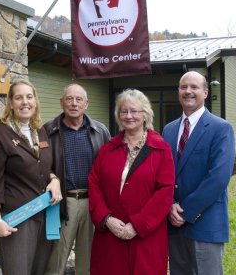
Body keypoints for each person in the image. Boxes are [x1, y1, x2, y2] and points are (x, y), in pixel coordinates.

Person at [89, 88, 175, 275]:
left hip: (146, 236)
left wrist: (137, 225)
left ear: (145, 114)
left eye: (134, 111)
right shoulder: (108, 149)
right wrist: (106, 218)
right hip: (111, 235)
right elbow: (94, 185)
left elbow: (165, 192)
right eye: (124, 111)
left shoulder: (161, 149)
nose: (129, 116)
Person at [0, 79, 62, 275]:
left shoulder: (40, 131)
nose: (24, 102)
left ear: (35, 101)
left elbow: (44, 167)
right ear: (10, 102)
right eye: (19, 97)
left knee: (39, 271)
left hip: (44, 215)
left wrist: (55, 179)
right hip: (17, 218)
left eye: (29, 97)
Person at [162, 71, 235, 275]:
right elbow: (161, 173)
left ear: (205, 92)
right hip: (173, 224)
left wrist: (186, 210)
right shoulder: (168, 130)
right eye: (183, 87)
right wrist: (169, 205)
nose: (188, 91)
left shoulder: (221, 129)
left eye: (194, 87)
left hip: (205, 223)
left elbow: (219, 177)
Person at [44, 83, 110, 275]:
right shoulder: (48, 131)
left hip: (93, 203)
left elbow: (110, 166)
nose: (74, 103)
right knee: (56, 258)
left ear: (86, 104)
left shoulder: (100, 130)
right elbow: (41, 166)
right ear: (61, 102)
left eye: (79, 99)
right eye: (69, 99)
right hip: (62, 203)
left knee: (89, 259)